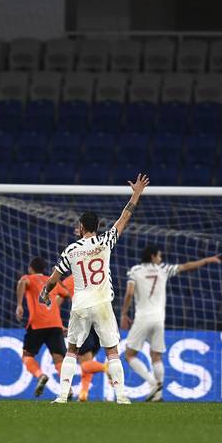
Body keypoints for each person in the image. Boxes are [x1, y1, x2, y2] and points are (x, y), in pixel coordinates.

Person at [39, 173, 150, 404]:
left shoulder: (71, 249)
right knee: (112, 351)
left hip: (80, 305)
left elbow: (53, 278)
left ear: (80, 227)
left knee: (71, 350)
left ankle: (61, 396)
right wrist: (136, 193)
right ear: (98, 226)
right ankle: (121, 397)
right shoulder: (106, 240)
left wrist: (44, 292)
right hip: (102, 304)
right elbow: (123, 219)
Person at [120, 245, 222, 401]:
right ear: (153, 256)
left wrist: (124, 313)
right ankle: (158, 395)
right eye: (159, 256)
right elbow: (186, 266)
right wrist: (207, 260)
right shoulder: (164, 269)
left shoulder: (135, 270)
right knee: (156, 356)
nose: (161, 259)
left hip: (142, 317)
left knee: (129, 355)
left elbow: (130, 293)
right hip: (159, 319)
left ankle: (153, 383)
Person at [15, 256, 70, 397]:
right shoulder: (52, 281)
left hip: (37, 324)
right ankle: (67, 388)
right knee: (59, 359)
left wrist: (19, 305)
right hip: (55, 325)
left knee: (27, 356)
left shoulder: (30, 278)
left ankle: (40, 376)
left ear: (30, 268)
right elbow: (66, 294)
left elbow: (22, 282)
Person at [58, 274, 108, 402]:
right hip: (101, 320)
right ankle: (83, 393)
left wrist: (58, 324)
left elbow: (57, 303)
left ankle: (107, 368)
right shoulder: (97, 275)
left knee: (85, 362)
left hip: (83, 321)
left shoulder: (70, 280)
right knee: (87, 358)